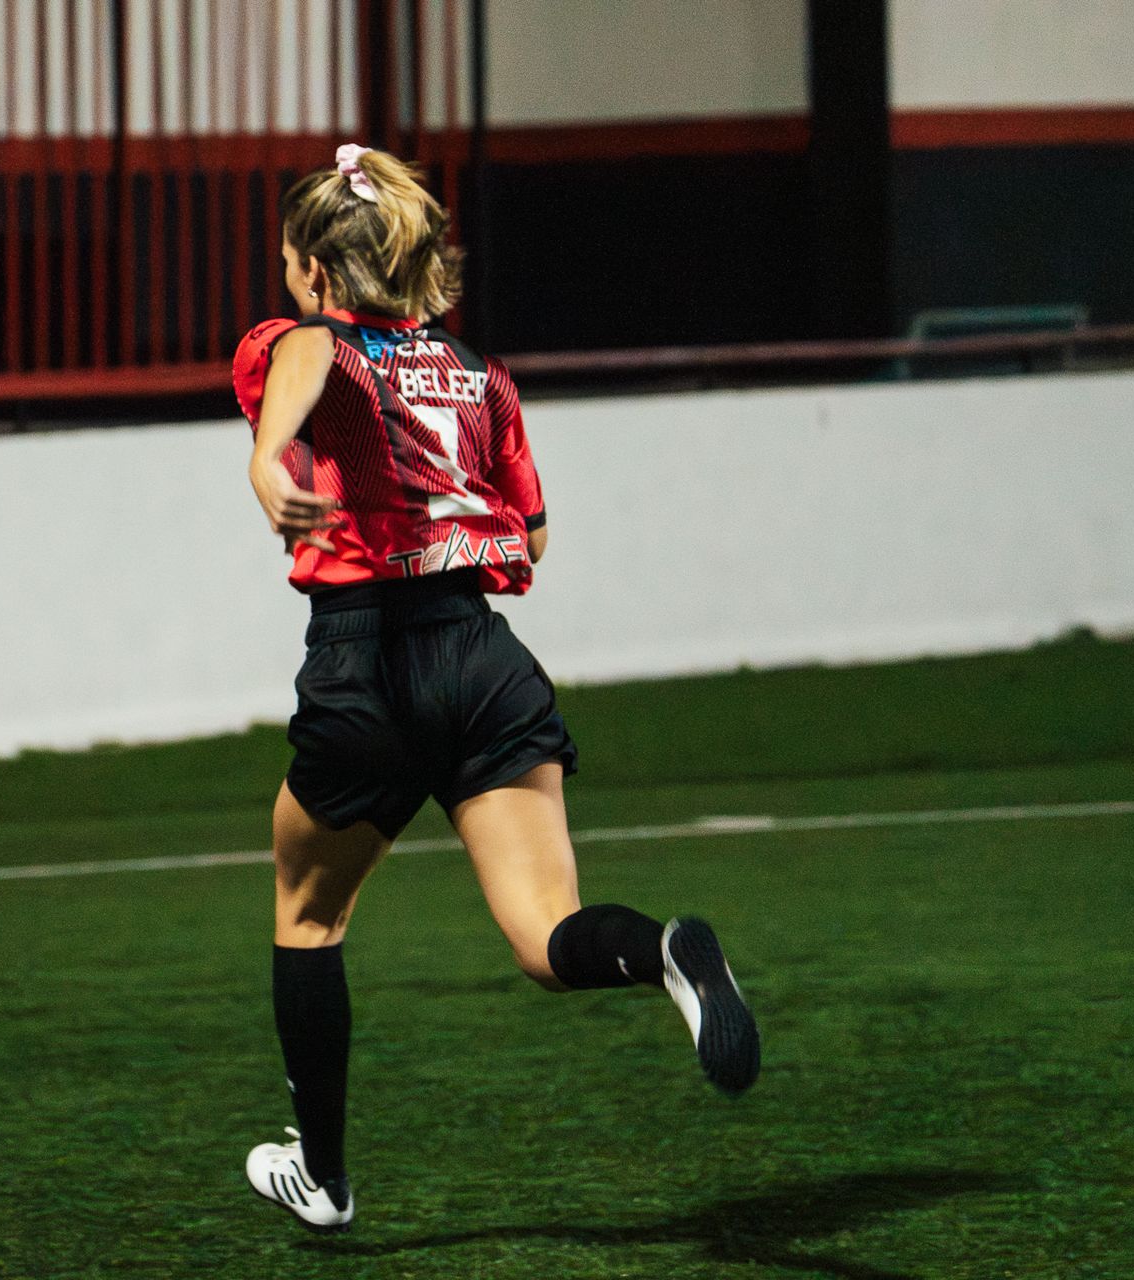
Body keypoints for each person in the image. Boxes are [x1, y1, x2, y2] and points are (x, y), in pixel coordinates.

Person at [232, 144, 760, 1233]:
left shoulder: (304, 339)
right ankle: (665, 949)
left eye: (293, 263)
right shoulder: (478, 371)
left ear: (319, 273)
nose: (288, 281)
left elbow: (303, 366)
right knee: (546, 934)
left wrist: (270, 463)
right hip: (482, 656)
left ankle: (323, 1178)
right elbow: (536, 531)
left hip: (366, 661)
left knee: (307, 913)